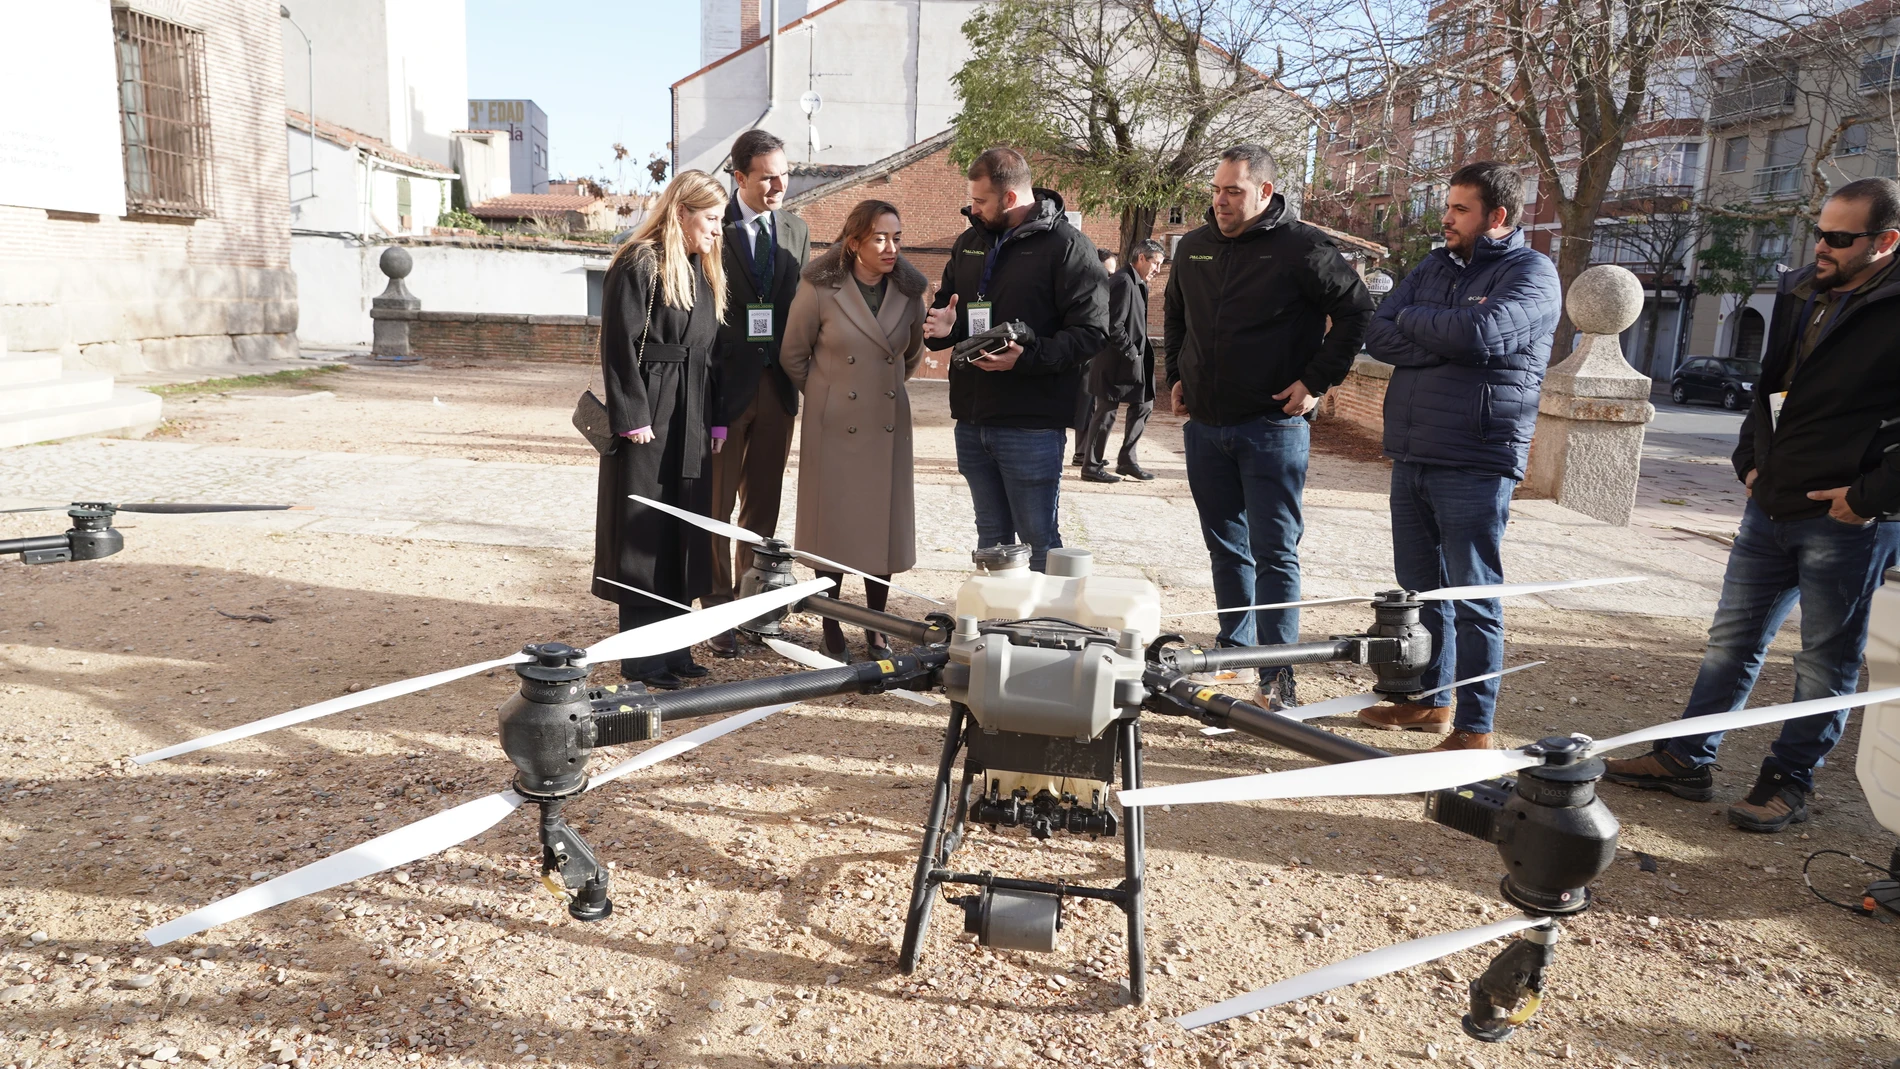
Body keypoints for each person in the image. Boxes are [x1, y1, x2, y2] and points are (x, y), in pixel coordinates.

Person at [1604, 176, 1900, 832]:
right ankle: (1685, 758)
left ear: (1885, 242)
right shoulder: (1801, 291)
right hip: (1770, 503)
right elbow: (1774, 388)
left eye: (1839, 237)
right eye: (1818, 231)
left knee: (1825, 660)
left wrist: (1868, 497)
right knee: (1731, 640)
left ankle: (1788, 781)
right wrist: (1750, 460)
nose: (1821, 246)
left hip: (1847, 520)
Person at [1356, 161, 1561, 752]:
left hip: (1476, 455)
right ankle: (1430, 701)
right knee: (1421, 591)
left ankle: (1475, 726)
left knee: (1472, 596)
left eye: (1460, 209)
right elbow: (1379, 330)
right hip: (1414, 450)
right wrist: (1443, 336)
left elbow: (1483, 334)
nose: (1446, 218)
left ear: (1497, 216)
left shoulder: (1532, 272)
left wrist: (1422, 326)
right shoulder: (1435, 265)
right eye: (1447, 206)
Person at [1164, 144, 1374, 708]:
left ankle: (1276, 675)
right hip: (1205, 428)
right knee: (1225, 549)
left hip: (1272, 428)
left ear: (1264, 191)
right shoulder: (1195, 246)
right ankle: (1233, 655)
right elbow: (1177, 314)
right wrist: (1176, 373)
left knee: (1275, 553)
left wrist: (1316, 380)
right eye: (1216, 189)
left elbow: (1357, 311)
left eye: (1233, 191)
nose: (1221, 200)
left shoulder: (1303, 246)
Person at [922, 146, 1108, 572]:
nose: (972, 209)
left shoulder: (1068, 246)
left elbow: (1093, 333)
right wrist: (943, 327)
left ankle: (1046, 615)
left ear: (1010, 198)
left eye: (981, 201)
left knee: (1038, 540)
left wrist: (1025, 358)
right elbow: (947, 308)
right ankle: (995, 614)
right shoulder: (969, 243)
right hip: (972, 419)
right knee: (991, 539)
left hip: (1031, 425)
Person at [590, 170, 729, 690]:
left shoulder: (702, 269)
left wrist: (717, 417)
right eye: (711, 218)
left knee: (683, 527)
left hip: (693, 410)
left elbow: (711, 354)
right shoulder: (638, 261)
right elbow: (618, 345)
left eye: (721, 219)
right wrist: (632, 415)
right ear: (681, 213)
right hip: (650, 410)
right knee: (644, 531)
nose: (718, 230)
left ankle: (674, 650)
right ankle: (642, 659)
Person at [779, 200, 929, 659]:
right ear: (854, 243)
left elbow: (910, 356)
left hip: (886, 425)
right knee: (834, 529)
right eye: (880, 238)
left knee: (881, 530)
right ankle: (831, 623)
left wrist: (878, 386)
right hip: (833, 426)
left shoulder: (909, 292)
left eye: (896, 238)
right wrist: (828, 393)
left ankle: (877, 627)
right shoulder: (819, 287)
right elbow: (793, 355)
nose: (891, 248)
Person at [705, 130, 812, 656]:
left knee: (763, 506)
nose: (779, 186)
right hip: (724, 389)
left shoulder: (796, 229)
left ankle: (751, 604)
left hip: (778, 388)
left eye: (784, 175)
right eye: (767, 177)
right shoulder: (712, 225)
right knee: (716, 505)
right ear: (739, 177)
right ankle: (716, 609)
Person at [1081, 238, 1165, 484]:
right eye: (1156, 263)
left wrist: (1137, 355)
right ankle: (1091, 466)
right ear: (1141, 258)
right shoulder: (1123, 282)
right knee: (1106, 412)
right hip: (1115, 361)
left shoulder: (1138, 282)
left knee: (1144, 404)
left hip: (1134, 360)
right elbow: (1112, 324)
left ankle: (1127, 460)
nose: (1158, 269)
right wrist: (1131, 352)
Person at [1071, 248, 1120, 467]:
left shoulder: (1107, 292)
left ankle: (1083, 452)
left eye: (1112, 274)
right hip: (1081, 352)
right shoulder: (1080, 288)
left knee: (1090, 402)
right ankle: (1081, 453)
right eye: (1106, 273)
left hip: (1098, 351)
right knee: (1085, 400)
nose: (1110, 278)